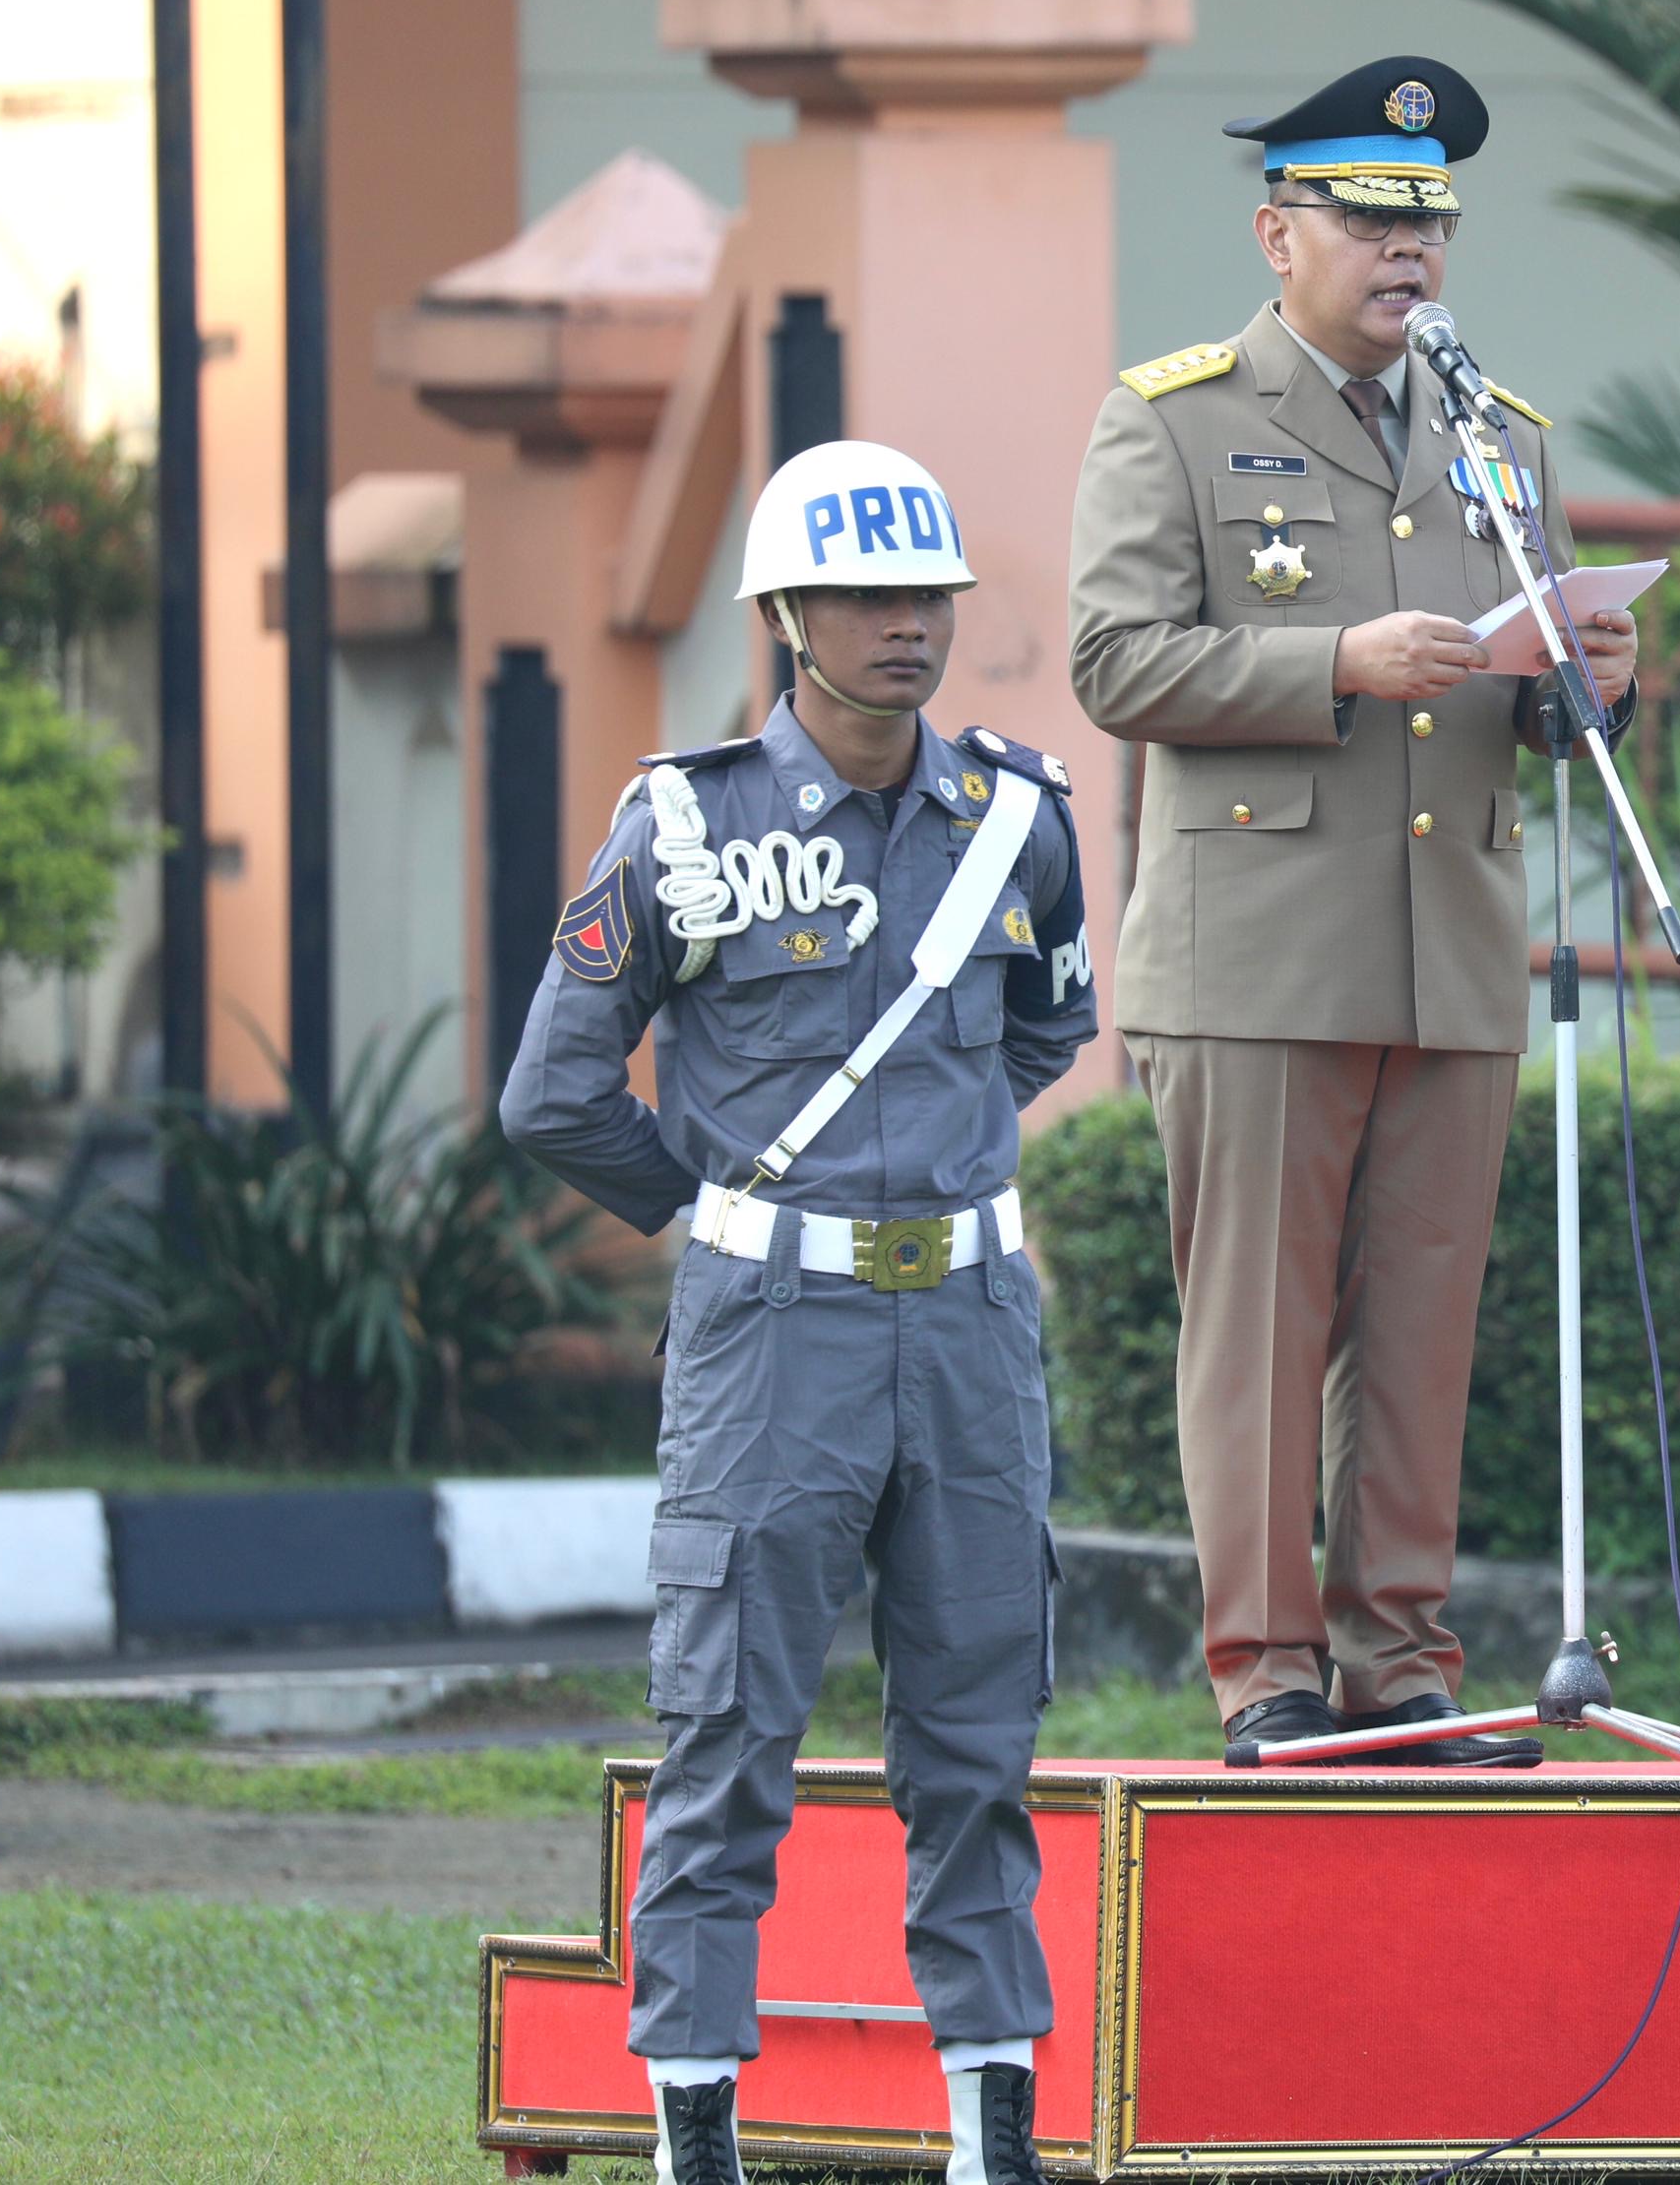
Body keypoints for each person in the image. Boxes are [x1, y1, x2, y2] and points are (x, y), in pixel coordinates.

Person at [500, 442, 1092, 2185]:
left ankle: (994, 2138)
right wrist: (713, 1201)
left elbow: (1044, 1024)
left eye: (929, 597)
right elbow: (552, 1085)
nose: (908, 625)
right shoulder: (682, 824)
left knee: (981, 1738)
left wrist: (937, 1151)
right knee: (729, 1734)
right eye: (866, 597)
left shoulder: (1017, 815)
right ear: (784, 617)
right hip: (775, 1334)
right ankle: (700, 2139)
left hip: (975, 1323)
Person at [1067, 54, 1637, 1770]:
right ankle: (1268, 1665)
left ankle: (1402, 1657)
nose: (1411, 251)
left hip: (1447, 941)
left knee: (1420, 1321)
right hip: (1252, 954)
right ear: (1277, 231)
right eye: (1372, 218)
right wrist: (1334, 659)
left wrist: (1595, 675)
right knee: (1255, 1321)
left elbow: (1539, 698)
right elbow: (1114, 657)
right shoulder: (1172, 415)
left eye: (1431, 220)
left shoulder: (1500, 432)